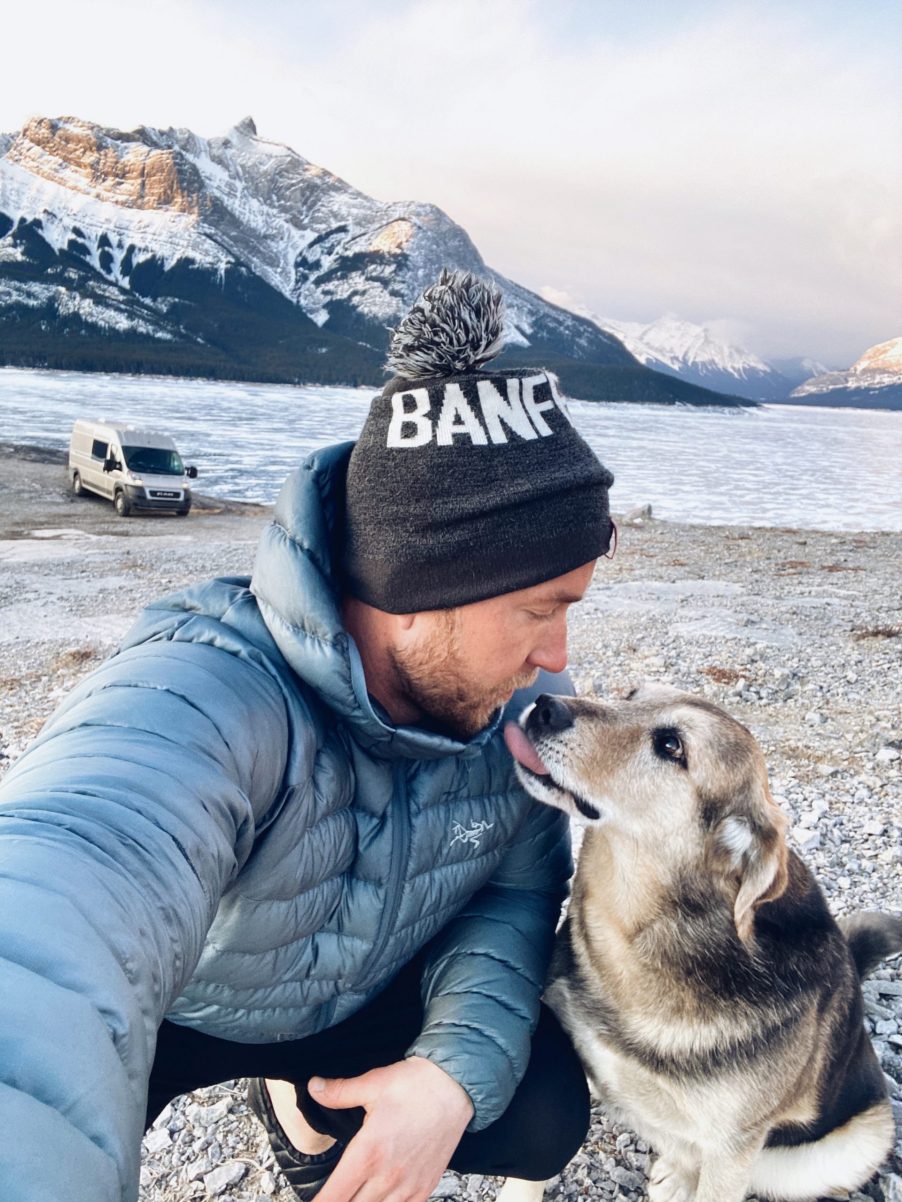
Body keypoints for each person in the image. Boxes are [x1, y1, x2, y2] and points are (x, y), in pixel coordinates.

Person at [0, 270, 615, 1202]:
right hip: (195, 1004)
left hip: (362, 986)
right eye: (541, 608)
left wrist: (451, 1076)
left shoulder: (517, 707)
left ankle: (306, 1105)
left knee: (539, 1119)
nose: (560, 655)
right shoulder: (209, 691)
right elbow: (54, 909)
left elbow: (517, 892)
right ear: (423, 590)